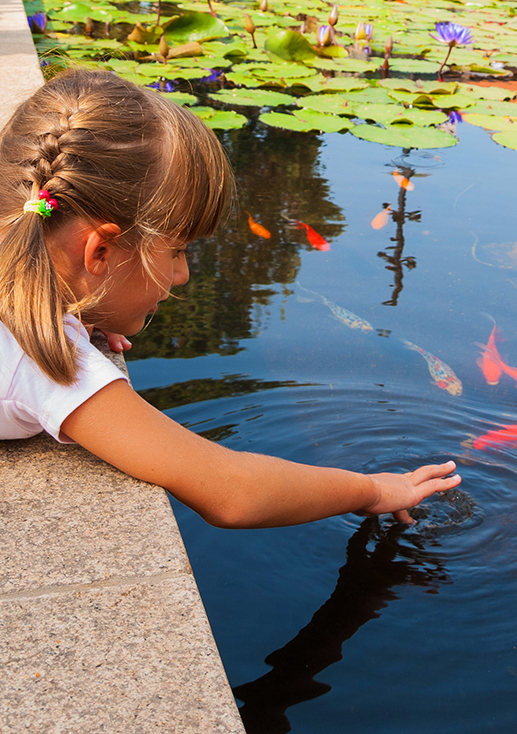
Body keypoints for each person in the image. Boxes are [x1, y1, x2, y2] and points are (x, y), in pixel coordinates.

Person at [0, 68, 460, 529]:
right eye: (178, 250)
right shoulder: (51, 361)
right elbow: (234, 490)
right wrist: (372, 489)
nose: (182, 275)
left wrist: (90, 310)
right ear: (100, 252)